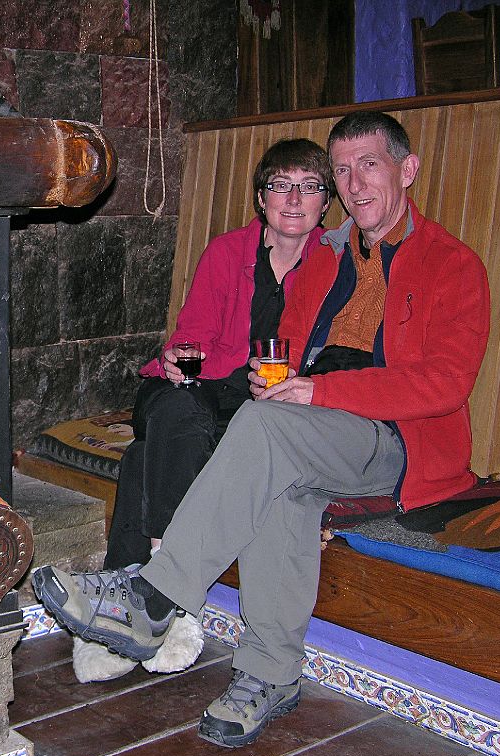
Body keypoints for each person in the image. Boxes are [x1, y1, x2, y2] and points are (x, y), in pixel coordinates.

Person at [33, 111, 490, 747]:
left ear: (406, 171)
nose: (354, 184)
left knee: (268, 431)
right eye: (344, 170)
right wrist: (284, 384)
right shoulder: (326, 262)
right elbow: (288, 351)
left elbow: (445, 384)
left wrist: (316, 390)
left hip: (399, 439)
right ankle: (270, 673)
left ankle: (150, 598)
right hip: (317, 425)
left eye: (370, 166)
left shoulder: (452, 265)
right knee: (275, 472)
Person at [73, 138, 335, 683]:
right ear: (261, 198)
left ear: (324, 203)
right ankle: (173, 595)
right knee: (177, 416)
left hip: (258, 408)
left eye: (309, 187)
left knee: (146, 456)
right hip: (192, 390)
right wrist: (176, 359)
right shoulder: (226, 252)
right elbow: (192, 334)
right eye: (280, 186)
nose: (293, 198)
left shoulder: (333, 267)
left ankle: (122, 610)